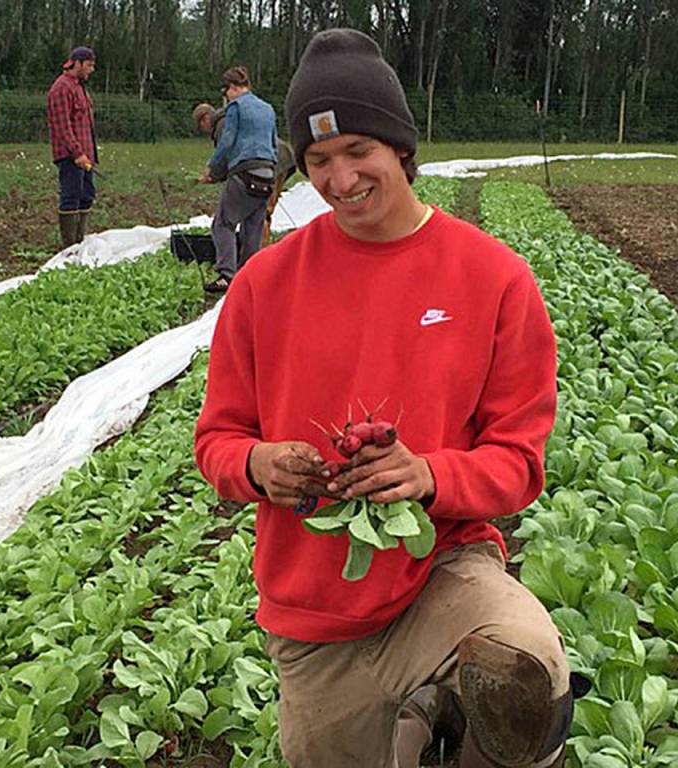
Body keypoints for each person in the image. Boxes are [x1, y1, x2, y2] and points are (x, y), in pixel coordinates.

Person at [194, 28, 575, 768]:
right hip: (312, 612)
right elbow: (217, 440)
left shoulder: (493, 278)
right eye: (319, 160)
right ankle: (416, 731)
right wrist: (258, 465)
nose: (340, 179)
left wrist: (428, 474)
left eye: (358, 151)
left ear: (401, 147)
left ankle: (447, 728)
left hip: (440, 575)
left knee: (526, 668)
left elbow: (519, 463)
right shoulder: (265, 284)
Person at [197, 66, 278, 293]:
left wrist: (211, 169)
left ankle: (226, 275)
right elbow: (273, 143)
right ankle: (249, 274)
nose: (226, 97)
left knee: (223, 223)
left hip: (244, 172)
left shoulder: (236, 107)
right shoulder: (268, 109)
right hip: (268, 174)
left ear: (232, 87)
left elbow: (227, 142)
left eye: (225, 92)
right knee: (253, 226)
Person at [193, 102, 298, 244]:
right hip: (279, 157)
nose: (204, 130)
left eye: (201, 126)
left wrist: (212, 176)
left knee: (261, 211)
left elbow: (226, 157)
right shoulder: (230, 118)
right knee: (263, 209)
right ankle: (261, 246)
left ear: (205, 118)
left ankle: (260, 250)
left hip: (269, 161)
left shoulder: (222, 125)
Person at [47, 46, 97, 250]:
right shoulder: (62, 88)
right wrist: (77, 153)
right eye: (89, 65)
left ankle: (80, 241)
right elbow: (62, 126)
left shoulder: (79, 87)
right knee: (71, 196)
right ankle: (70, 247)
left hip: (85, 155)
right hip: (71, 156)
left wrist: (88, 155)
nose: (92, 70)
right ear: (77, 63)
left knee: (86, 195)